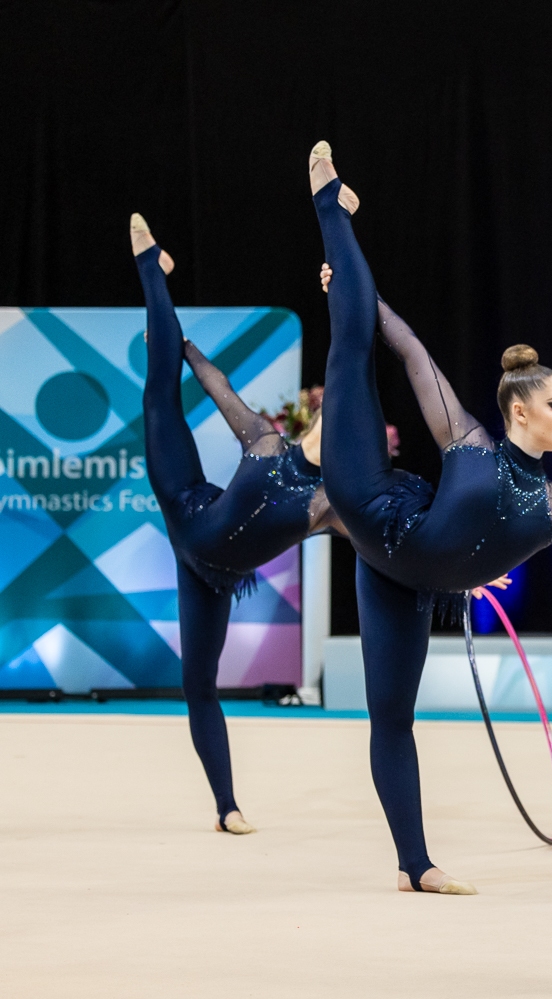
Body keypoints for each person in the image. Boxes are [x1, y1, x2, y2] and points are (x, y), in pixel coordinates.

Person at [308, 143, 552, 895]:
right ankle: (329, 209)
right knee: (353, 347)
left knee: (393, 717)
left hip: (404, 581)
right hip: (373, 506)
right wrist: (362, 298)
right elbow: (412, 352)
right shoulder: (471, 443)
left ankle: (413, 866)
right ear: (519, 410)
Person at [131, 214, 344, 836]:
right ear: (315, 421)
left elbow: (394, 541)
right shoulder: (267, 442)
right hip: (187, 502)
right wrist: (184, 348)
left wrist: (462, 576)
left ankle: (226, 807)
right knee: (159, 392)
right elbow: (217, 385)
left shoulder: (329, 503)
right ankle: (151, 268)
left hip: (212, 574)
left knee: (198, 682)